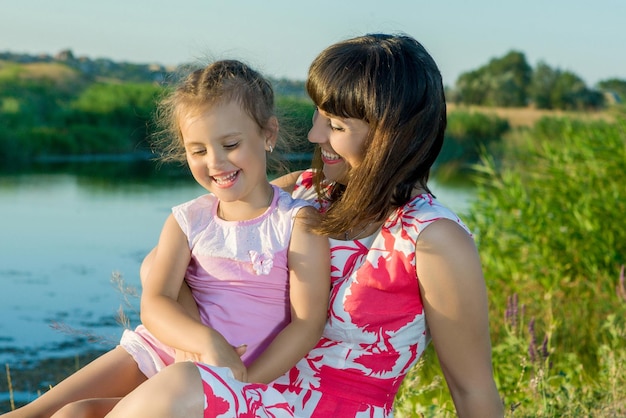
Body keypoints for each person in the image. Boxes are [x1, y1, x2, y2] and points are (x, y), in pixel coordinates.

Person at [108, 32, 503, 417]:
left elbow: (473, 390)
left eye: (336, 125)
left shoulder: (434, 240)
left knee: (179, 388)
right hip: (240, 387)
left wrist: (220, 375)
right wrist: (203, 344)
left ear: (392, 135)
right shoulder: (302, 191)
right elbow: (163, 265)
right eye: (318, 114)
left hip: (319, 406)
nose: (315, 134)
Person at [2, 60, 330, 418]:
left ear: (268, 134)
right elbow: (156, 301)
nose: (216, 162)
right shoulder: (189, 219)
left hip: (238, 377)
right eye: (198, 150)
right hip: (161, 349)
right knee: (56, 412)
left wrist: (243, 383)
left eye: (230, 144)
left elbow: (306, 323)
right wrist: (206, 342)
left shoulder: (295, 222)